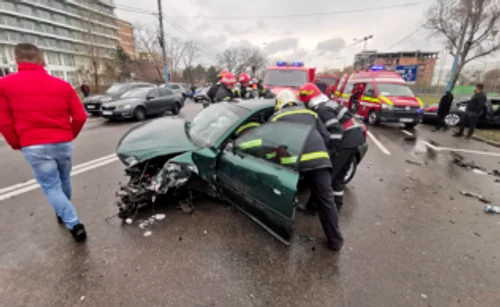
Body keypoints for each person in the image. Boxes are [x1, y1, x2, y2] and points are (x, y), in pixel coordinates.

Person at [0, 43, 88, 242]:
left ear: (16, 60)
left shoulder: (4, 85)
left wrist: (17, 143)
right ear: (42, 61)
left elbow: (3, 121)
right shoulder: (62, 85)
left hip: (34, 145)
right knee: (64, 179)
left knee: (51, 187)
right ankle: (64, 212)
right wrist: (69, 135)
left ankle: (73, 223)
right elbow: (81, 117)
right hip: (63, 143)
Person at [269, 89, 343, 251]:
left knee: (283, 194)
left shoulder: (276, 117)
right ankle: (335, 241)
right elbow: (326, 137)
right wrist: (325, 156)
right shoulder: (311, 114)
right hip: (319, 160)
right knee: (327, 200)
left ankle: (282, 231)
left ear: (279, 103)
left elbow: (272, 142)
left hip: (295, 162)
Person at [299, 82, 366, 212]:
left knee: (325, 176)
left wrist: (331, 151)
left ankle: (313, 208)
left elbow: (336, 131)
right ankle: (337, 206)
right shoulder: (327, 103)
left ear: (309, 100)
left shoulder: (322, 110)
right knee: (339, 176)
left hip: (347, 139)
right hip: (356, 137)